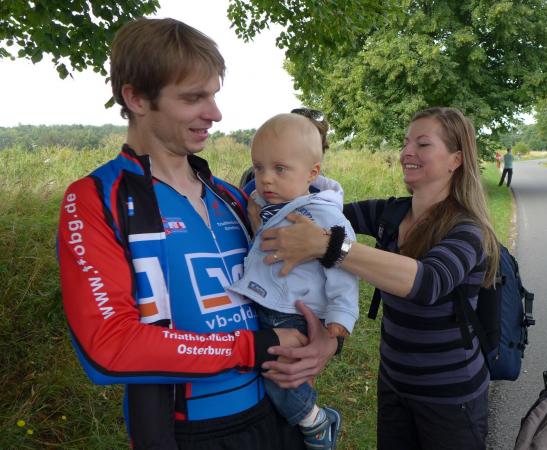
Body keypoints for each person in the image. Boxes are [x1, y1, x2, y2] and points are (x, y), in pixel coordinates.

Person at [56, 18, 336, 449]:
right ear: (136, 98)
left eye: (214, 95)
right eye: (193, 98)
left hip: (275, 418)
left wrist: (326, 343)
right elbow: (109, 346)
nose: (215, 114)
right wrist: (254, 347)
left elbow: (299, 282)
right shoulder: (97, 198)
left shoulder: (232, 197)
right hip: (188, 431)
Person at [259, 107, 501, 449]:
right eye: (405, 143)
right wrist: (286, 161)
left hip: (451, 398)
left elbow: (427, 282)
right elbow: (315, 210)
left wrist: (329, 246)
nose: (406, 153)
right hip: (393, 384)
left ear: (456, 159)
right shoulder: (391, 213)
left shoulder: (468, 229)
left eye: (422, 144)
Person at [227, 113, 359, 449]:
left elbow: (343, 269)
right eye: (259, 168)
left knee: (281, 374)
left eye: (280, 169)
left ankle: (315, 421)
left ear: (312, 173)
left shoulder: (321, 214)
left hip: (294, 312)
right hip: (270, 303)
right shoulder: (269, 206)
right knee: (269, 371)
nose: (265, 179)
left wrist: (341, 317)